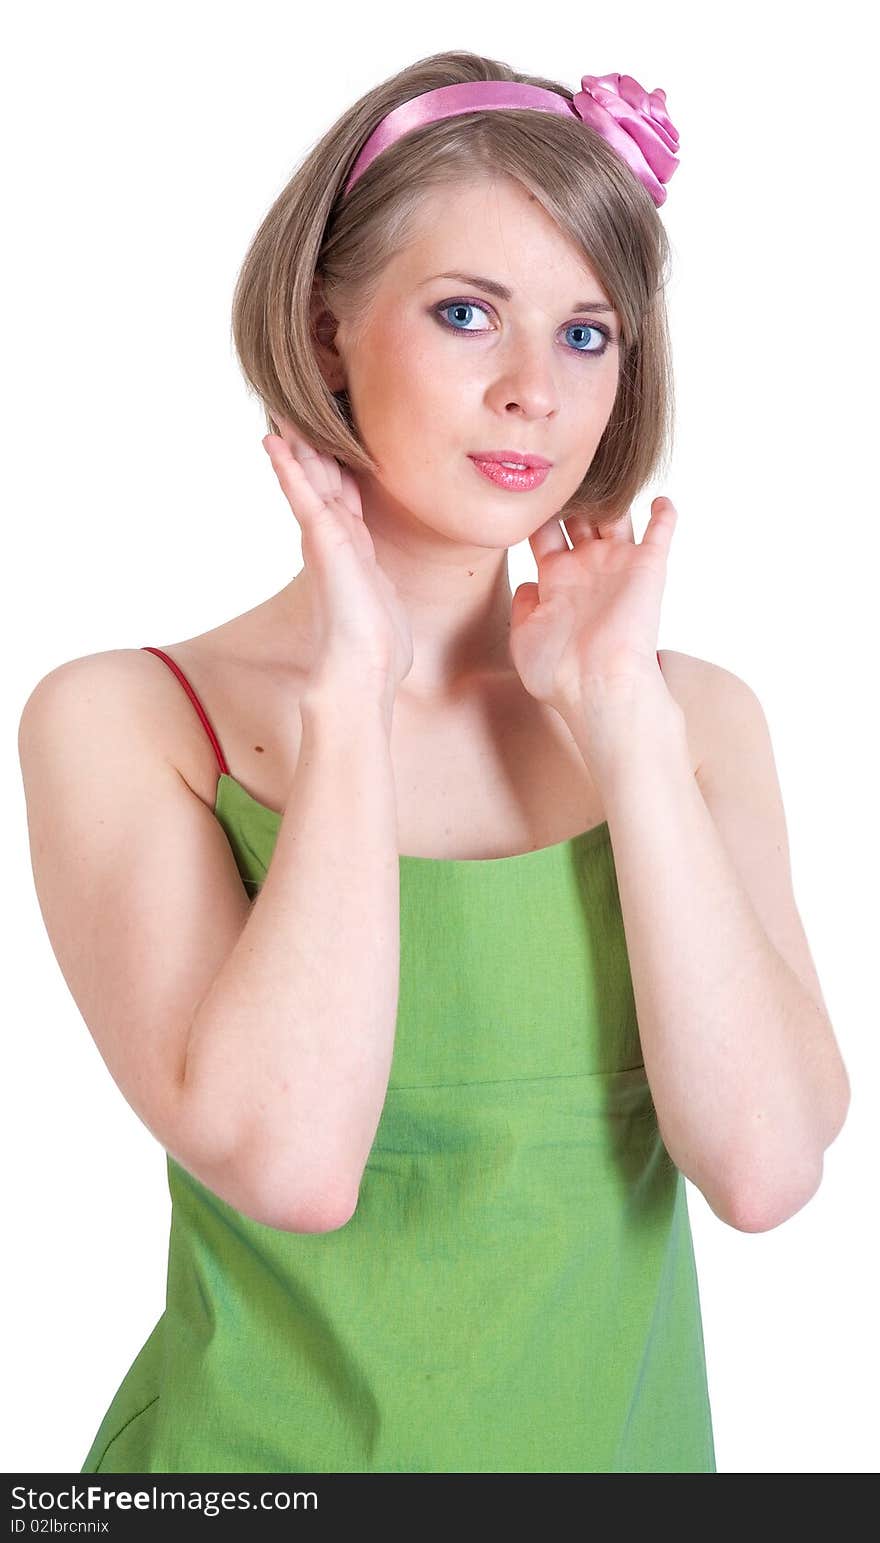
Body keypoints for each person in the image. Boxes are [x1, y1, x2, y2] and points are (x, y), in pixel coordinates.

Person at [17, 50, 849, 1475]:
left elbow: (766, 1170)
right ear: (329, 330)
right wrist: (353, 693)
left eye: (588, 334)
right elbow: (294, 1164)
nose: (535, 390)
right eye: (469, 315)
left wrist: (621, 719)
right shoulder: (128, 720)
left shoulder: (692, 722)